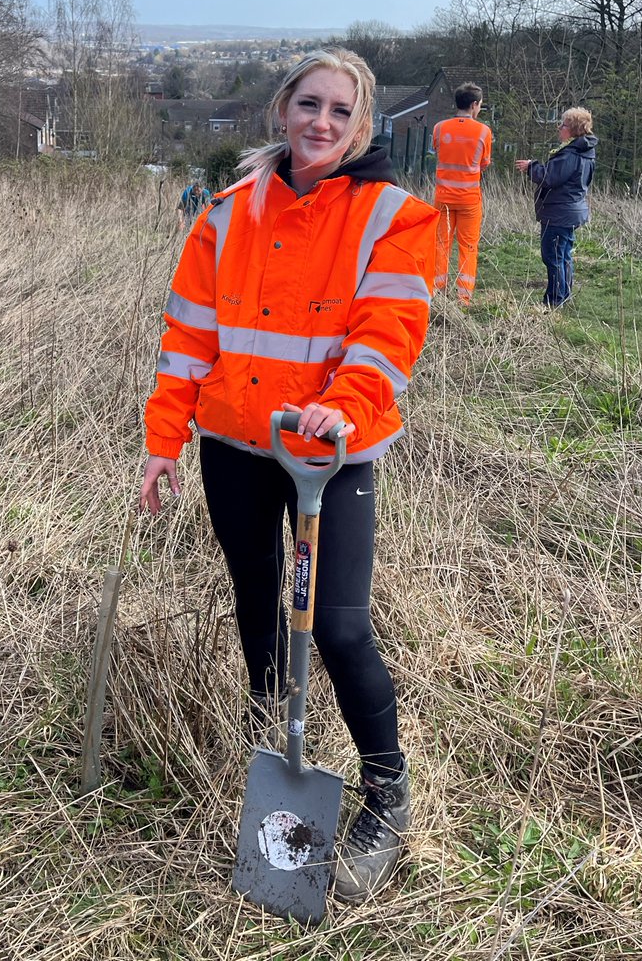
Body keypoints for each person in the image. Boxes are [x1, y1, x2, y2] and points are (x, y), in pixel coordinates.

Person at [139, 48, 438, 904]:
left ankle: (387, 796)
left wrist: (345, 403)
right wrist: (165, 439)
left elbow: (389, 327)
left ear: (362, 125)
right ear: (281, 111)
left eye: (340, 112)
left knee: (338, 628)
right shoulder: (227, 214)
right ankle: (270, 740)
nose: (321, 124)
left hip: (328, 454)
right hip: (233, 443)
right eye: (309, 105)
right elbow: (188, 336)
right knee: (255, 597)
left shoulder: (391, 216)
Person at [516, 107, 597, 308]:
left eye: (563, 125)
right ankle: (563, 294)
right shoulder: (584, 152)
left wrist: (531, 167)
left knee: (553, 256)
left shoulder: (569, 154)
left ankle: (554, 300)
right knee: (563, 255)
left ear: (573, 130)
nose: (559, 128)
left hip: (559, 213)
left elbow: (549, 177)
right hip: (571, 211)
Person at [431, 83, 493, 306]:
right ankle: (463, 297)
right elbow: (484, 163)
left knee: (440, 243)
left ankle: (436, 291)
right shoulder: (484, 132)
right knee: (468, 247)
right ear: (474, 104)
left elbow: (437, 151)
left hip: (443, 198)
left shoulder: (439, 128)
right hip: (469, 199)